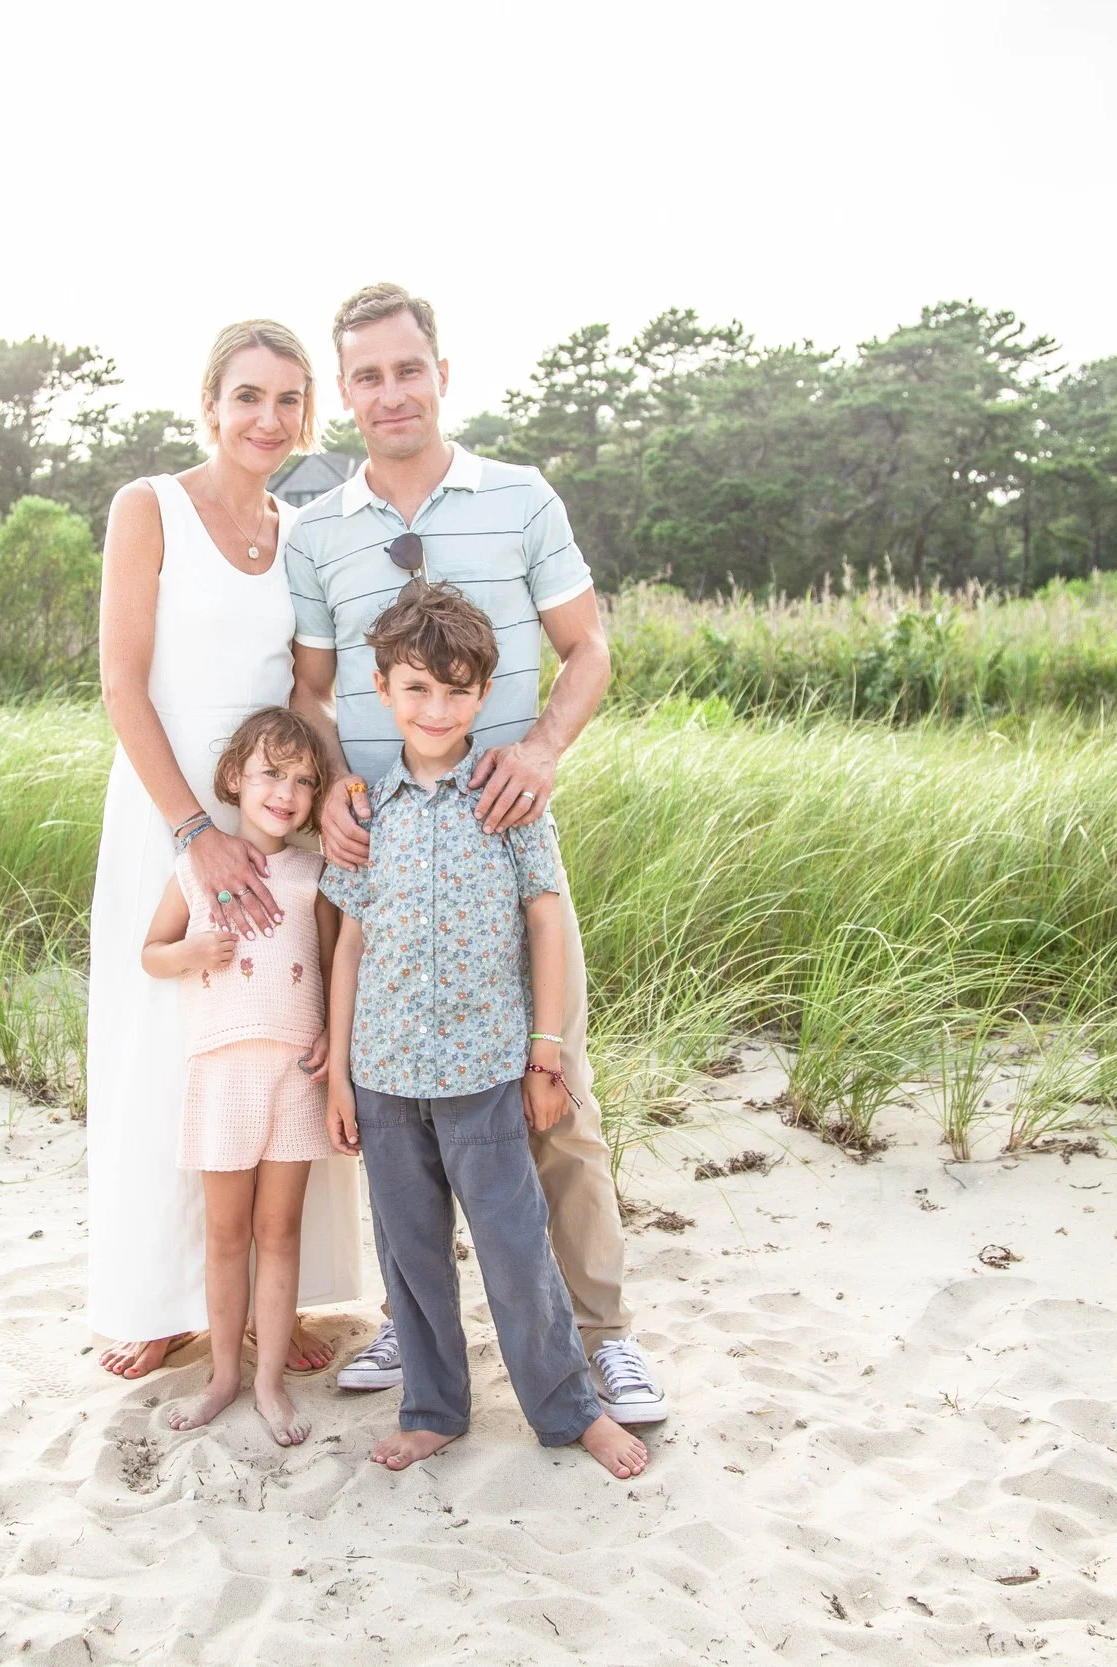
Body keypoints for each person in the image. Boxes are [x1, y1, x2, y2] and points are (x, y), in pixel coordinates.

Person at [285, 282, 667, 1424]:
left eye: (408, 369)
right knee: (385, 1098)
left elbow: (587, 646)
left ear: (440, 372)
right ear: (342, 392)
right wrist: (334, 787)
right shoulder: (319, 530)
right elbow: (311, 691)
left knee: (554, 1098)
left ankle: (604, 1339)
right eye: (365, 376)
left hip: (501, 842)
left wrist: (543, 746)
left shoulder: (519, 497)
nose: (389, 393)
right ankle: (415, 1321)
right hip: (373, 847)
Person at [321, 582, 649, 1478]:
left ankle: (567, 1407)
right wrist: (339, 1073)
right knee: (411, 1254)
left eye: (456, 690)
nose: (436, 708)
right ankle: (433, 1406)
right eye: (416, 689)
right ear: (383, 691)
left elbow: (546, 922)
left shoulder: (507, 800)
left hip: (482, 1074)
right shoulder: (366, 814)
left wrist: (545, 1051)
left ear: (483, 695)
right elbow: (349, 943)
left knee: (514, 1248)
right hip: (385, 1076)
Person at [86, 320, 362, 1379]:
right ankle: (156, 1301)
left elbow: (305, 690)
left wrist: (335, 793)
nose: (269, 418)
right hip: (170, 813)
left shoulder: (301, 532)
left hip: (272, 814)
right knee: (168, 1038)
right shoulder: (148, 505)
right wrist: (192, 832)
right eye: (248, 395)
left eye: (290, 399)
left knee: (273, 1031)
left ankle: (267, 1300)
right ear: (209, 405)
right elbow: (120, 680)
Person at [141, 709, 339, 1445]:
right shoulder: (196, 868)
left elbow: (326, 964)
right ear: (233, 778)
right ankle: (223, 1375)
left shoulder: (313, 874)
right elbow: (152, 953)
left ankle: (267, 1382)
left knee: (278, 1228)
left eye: (303, 780)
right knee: (226, 1233)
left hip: (293, 1072)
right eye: (270, 772)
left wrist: (330, 1037)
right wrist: (192, 952)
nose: (286, 791)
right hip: (222, 1070)